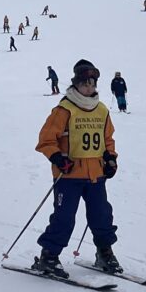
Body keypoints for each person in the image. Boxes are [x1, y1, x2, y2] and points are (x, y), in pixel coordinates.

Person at [30, 60, 121, 277]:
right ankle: (49, 256)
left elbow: (107, 139)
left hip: (95, 175)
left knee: (102, 215)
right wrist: (57, 158)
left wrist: (110, 158)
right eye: (84, 84)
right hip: (68, 175)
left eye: (92, 84)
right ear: (76, 84)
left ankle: (104, 252)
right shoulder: (64, 110)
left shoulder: (101, 110)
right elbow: (46, 140)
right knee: (64, 218)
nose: (89, 88)